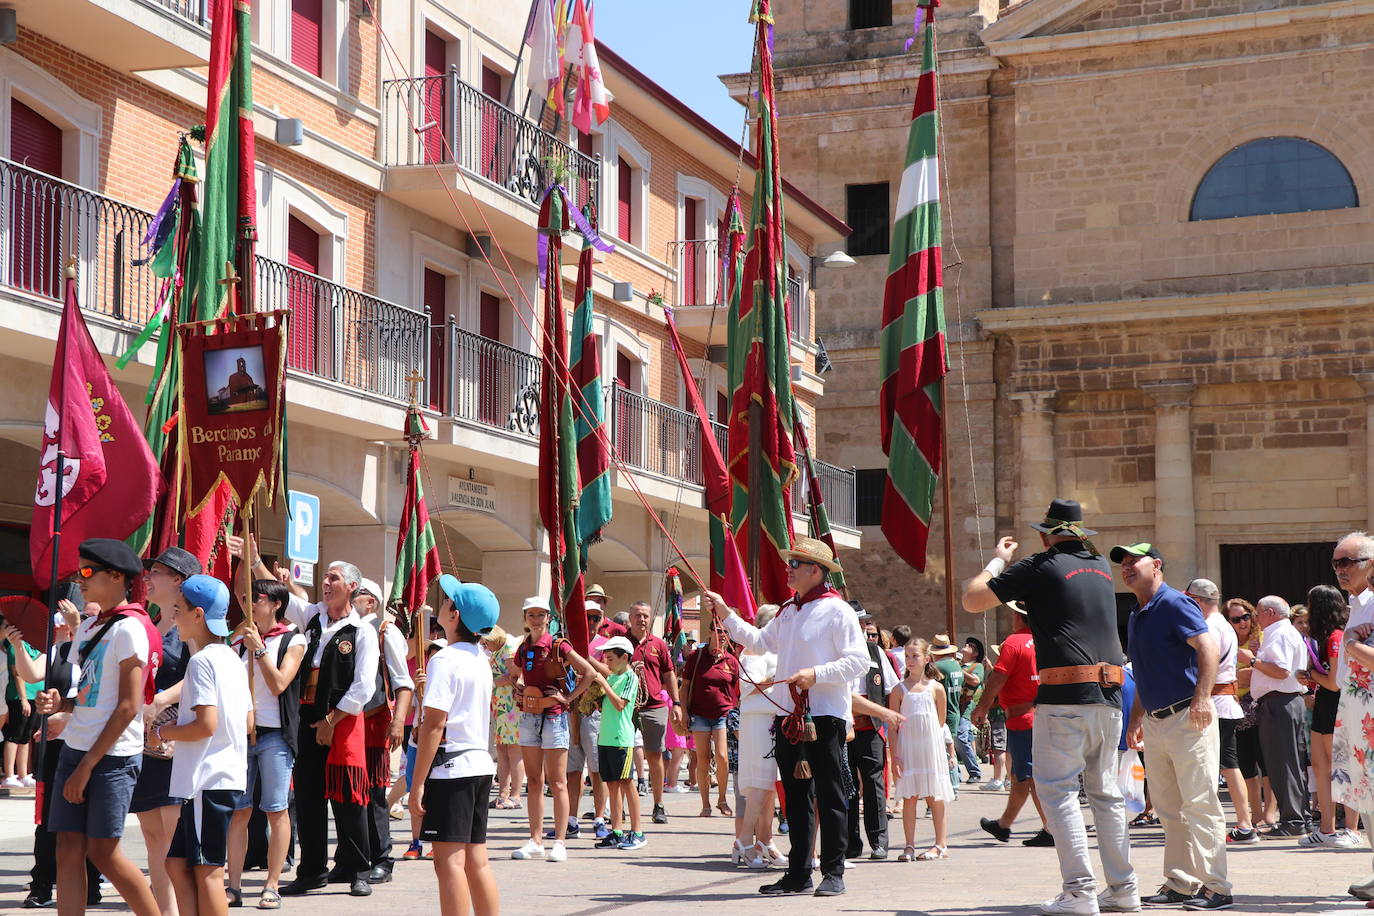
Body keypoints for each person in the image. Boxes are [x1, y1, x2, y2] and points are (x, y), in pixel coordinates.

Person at [962, 499, 1134, 916]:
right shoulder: (1098, 570)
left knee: (1058, 792)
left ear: (1045, 534)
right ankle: (1123, 889)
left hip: (1066, 698)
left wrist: (998, 562)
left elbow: (972, 599)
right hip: (1110, 695)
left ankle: (1079, 891)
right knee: (1106, 795)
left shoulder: (1041, 564)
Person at [705, 535, 869, 898]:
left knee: (829, 793)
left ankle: (833, 871)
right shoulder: (788, 610)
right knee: (794, 796)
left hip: (824, 716)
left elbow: (858, 661)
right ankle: (798, 873)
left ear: (815, 570)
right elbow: (759, 641)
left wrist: (816, 673)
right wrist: (726, 613)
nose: (788, 570)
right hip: (788, 717)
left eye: (795, 565)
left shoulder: (837, 610)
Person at [36, 538, 161, 915]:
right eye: (79, 571)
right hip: (77, 747)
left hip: (112, 757)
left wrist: (87, 766)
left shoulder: (130, 628)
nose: (81, 579)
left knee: (103, 852)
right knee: (67, 849)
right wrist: (62, 703)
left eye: (88, 572)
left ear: (116, 576)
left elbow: (128, 705)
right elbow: (89, 694)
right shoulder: (90, 627)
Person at [1115, 544, 1229, 912]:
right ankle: (1181, 881)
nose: (1128, 567)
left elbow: (1207, 648)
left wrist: (1202, 696)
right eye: (1124, 563)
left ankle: (1218, 886)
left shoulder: (1175, 603)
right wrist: (1135, 720)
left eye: (1135, 561)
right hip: (1156, 721)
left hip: (1187, 716)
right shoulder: (1137, 613)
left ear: (1157, 566)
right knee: (1168, 807)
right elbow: (1144, 672)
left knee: (1200, 802)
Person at [279, 561, 380, 898]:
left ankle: (358, 868)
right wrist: (253, 561)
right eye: (325, 577)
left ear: (352, 586)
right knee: (308, 797)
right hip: (307, 718)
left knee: (349, 797)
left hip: (342, 723)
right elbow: (280, 597)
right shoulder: (313, 616)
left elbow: (364, 686)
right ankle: (312, 871)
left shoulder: (362, 630)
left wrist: (331, 720)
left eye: (333, 578)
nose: (325, 582)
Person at [410, 576, 501, 916]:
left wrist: (417, 784)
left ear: (455, 614)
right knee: (476, 860)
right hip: (478, 765)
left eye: (449, 601)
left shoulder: (445, 659)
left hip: (453, 768)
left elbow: (434, 725)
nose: (444, 603)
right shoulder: (480, 657)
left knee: (448, 863)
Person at [160, 575, 250, 916]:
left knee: (208, 870)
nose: (173, 617)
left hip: (207, 780)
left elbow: (205, 725)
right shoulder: (230, 658)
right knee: (177, 864)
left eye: (177, 609)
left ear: (198, 615)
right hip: (217, 777)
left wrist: (166, 732)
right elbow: (246, 721)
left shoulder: (201, 662)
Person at [225, 579, 307, 909]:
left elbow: (279, 684)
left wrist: (258, 649)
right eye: (245, 598)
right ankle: (233, 885)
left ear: (275, 604)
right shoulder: (239, 639)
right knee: (239, 812)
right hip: (243, 734)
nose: (249, 604)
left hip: (274, 736)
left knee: (276, 809)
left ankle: (271, 884)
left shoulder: (292, 638)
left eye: (255, 599)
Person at [134, 545, 199, 916]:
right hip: (143, 741)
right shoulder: (145, 621)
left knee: (175, 837)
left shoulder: (192, 621)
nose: (148, 578)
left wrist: (160, 700)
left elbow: (200, 670)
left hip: (175, 737)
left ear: (177, 580)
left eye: (156, 572)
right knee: (152, 837)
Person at [507, 596, 595, 862]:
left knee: (557, 782)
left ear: (548, 618)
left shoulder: (558, 644)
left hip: (555, 716)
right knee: (534, 781)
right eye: (531, 614)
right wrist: (514, 686)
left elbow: (589, 672)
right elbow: (515, 674)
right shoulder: (524, 647)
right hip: (530, 715)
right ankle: (535, 839)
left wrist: (568, 699)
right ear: (525, 617)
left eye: (540, 614)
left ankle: (559, 841)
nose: (536, 619)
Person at [971, 605, 1050, 845]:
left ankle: (1051, 828)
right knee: (1020, 776)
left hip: (1022, 719)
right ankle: (1004, 825)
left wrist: (982, 706)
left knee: (1032, 776)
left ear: (1018, 617)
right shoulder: (1045, 639)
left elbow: (999, 676)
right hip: (1043, 716)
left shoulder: (1014, 642)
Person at [355, 578, 415, 885]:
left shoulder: (383, 631)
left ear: (371, 602)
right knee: (351, 794)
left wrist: (398, 721)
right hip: (346, 721)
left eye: (358, 593)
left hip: (374, 719)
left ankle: (381, 858)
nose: (351, 597)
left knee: (374, 794)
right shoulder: (343, 626)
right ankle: (354, 857)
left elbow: (403, 680)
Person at [1186, 579, 1255, 846]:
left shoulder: (1210, 626)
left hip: (1215, 700)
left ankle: (1237, 823)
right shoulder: (1223, 625)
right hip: (1221, 700)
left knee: (1217, 764)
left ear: (1198, 600)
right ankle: (1244, 823)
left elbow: (1207, 661)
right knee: (1228, 763)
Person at [1299, 584, 1358, 849]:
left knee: (1343, 768)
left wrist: (1310, 675)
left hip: (1338, 703)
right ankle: (1326, 829)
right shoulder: (1323, 637)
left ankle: (1352, 830)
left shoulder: (1335, 637)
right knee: (1321, 767)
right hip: (1325, 703)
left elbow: (1334, 682)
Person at [1249, 595, 1312, 838]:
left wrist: (1253, 660)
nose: (1255, 617)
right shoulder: (1284, 631)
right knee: (1291, 762)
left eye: (1258, 612)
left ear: (1271, 613)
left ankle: (1293, 820)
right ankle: (1299, 817)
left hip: (1279, 702)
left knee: (1282, 762)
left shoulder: (1279, 632)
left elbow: (1280, 670)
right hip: (1286, 701)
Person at [1334, 532, 1374, 901]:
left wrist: (1352, 645)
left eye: (1348, 562)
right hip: (1356, 709)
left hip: (1371, 711)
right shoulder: (1355, 603)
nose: (1340, 569)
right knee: (1366, 795)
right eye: (1336, 563)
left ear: (1370, 564)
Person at [890, 638, 956, 863]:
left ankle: (941, 844)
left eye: (915, 656)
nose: (910, 660)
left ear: (926, 659)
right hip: (908, 748)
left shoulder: (936, 687)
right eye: (907, 656)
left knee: (934, 795)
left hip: (930, 747)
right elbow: (893, 726)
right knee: (909, 796)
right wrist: (894, 755)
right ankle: (909, 845)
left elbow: (940, 721)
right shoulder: (898, 690)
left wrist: (946, 750)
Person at [733, 604, 783, 869]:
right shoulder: (753, 650)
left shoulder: (778, 649)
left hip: (775, 719)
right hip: (758, 719)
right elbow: (747, 687)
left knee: (771, 783)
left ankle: (766, 839)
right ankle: (744, 840)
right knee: (760, 781)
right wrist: (774, 677)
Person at [625, 600, 682, 825]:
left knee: (655, 755)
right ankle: (619, 807)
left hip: (654, 705)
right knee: (624, 755)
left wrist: (676, 703)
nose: (642, 619)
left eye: (646, 616)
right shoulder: (621, 643)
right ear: (630, 618)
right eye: (637, 615)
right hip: (626, 707)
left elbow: (669, 674)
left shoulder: (658, 644)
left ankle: (658, 805)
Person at [587, 635, 645, 850]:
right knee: (612, 785)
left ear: (624, 657)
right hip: (605, 738)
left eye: (610, 658)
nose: (607, 662)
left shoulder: (630, 677)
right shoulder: (611, 678)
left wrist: (603, 683)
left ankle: (638, 831)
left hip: (622, 738)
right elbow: (606, 707)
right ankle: (617, 831)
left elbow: (621, 704)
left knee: (627, 783)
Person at [847, 611, 897, 860]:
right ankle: (851, 843)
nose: (860, 627)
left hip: (871, 729)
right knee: (846, 787)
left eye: (862, 623)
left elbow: (891, 688)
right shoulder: (837, 650)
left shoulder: (875, 651)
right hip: (842, 730)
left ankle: (879, 842)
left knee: (874, 785)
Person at [683, 625, 740, 818]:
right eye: (717, 630)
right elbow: (685, 686)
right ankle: (705, 803)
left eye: (725, 631)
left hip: (723, 714)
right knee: (703, 758)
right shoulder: (696, 657)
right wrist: (683, 711)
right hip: (699, 714)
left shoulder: (731, 660)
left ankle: (722, 799)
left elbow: (737, 691)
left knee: (723, 757)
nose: (722, 635)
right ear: (709, 632)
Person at [1227, 597, 1269, 830]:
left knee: (1267, 760)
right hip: (1236, 707)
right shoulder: (1226, 640)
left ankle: (1270, 814)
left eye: (1245, 616)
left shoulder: (1261, 638)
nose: (1242, 622)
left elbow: (1264, 671)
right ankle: (1256, 814)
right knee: (1246, 763)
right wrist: (1249, 671)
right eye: (1236, 619)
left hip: (1261, 703)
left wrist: (1248, 670)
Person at [486, 626, 523, 810]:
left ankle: (515, 795)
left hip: (511, 705)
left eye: (487, 642)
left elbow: (515, 674)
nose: (485, 645)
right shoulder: (499, 648)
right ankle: (503, 793)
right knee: (501, 749)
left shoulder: (508, 647)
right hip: (500, 705)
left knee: (514, 750)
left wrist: (498, 680)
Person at [931, 634, 974, 787]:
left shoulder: (939, 667)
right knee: (950, 749)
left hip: (942, 712)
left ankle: (951, 785)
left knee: (943, 751)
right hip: (954, 710)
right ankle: (955, 782)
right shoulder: (956, 665)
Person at [2, 622, 40, 789]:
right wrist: (24, 699)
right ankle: (9, 774)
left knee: (26, 736)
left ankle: (23, 774)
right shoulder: (14, 646)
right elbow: (17, 674)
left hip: (34, 697)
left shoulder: (35, 647)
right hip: (19, 697)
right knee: (14, 735)